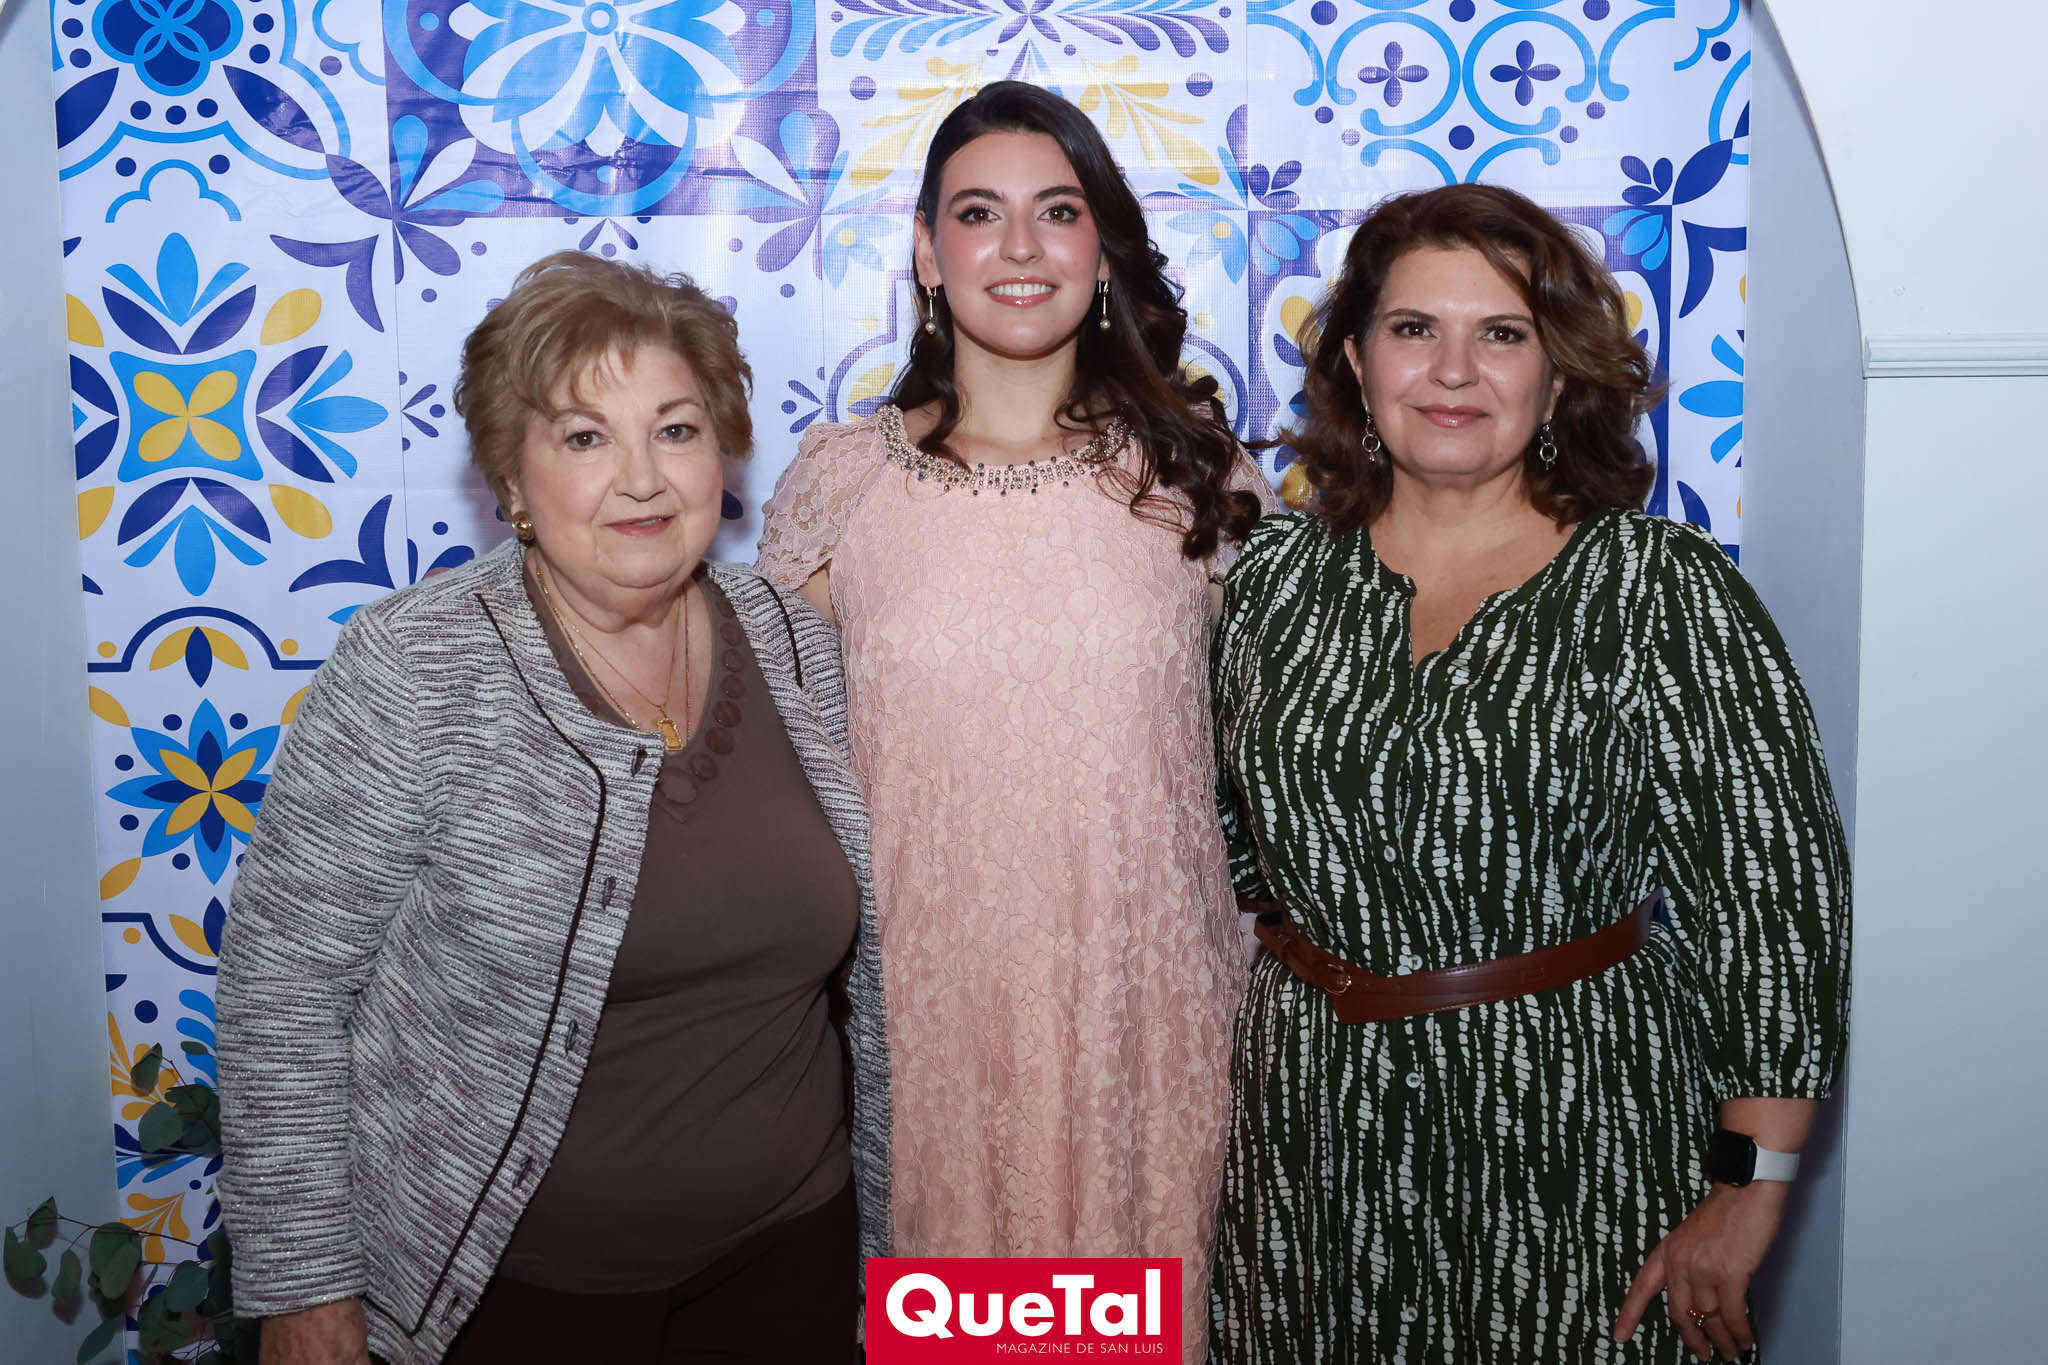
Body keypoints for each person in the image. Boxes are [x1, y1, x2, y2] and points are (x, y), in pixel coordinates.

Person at [1206, 183, 1851, 1364]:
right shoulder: (1270, 585)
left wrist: (1747, 1189)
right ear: (1353, 361)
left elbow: (1773, 909)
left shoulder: (1657, 588)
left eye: (1499, 333)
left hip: (1578, 1122)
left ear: (1554, 378)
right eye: (1413, 329)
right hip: (1310, 1125)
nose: (1452, 370)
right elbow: (1235, 852)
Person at [214, 250, 889, 1365]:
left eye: (676, 430)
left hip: (790, 1262)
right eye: (585, 438)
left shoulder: (791, 643)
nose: (643, 480)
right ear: (512, 481)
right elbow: (282, 996)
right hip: (514, 1298)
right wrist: (305, 1291)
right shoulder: (414, 665)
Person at [754, 80, 1275, 1362]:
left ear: (1101, 248)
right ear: (927, 254)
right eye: (978, 214)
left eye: (1058, 210)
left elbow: (1282, 759)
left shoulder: (1196, 478)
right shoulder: (842, 485)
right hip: (924, 1036)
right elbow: (769, 767)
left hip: (1143, 1034)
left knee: (1137, 1336)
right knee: (957, 1342)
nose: (1021, 246)